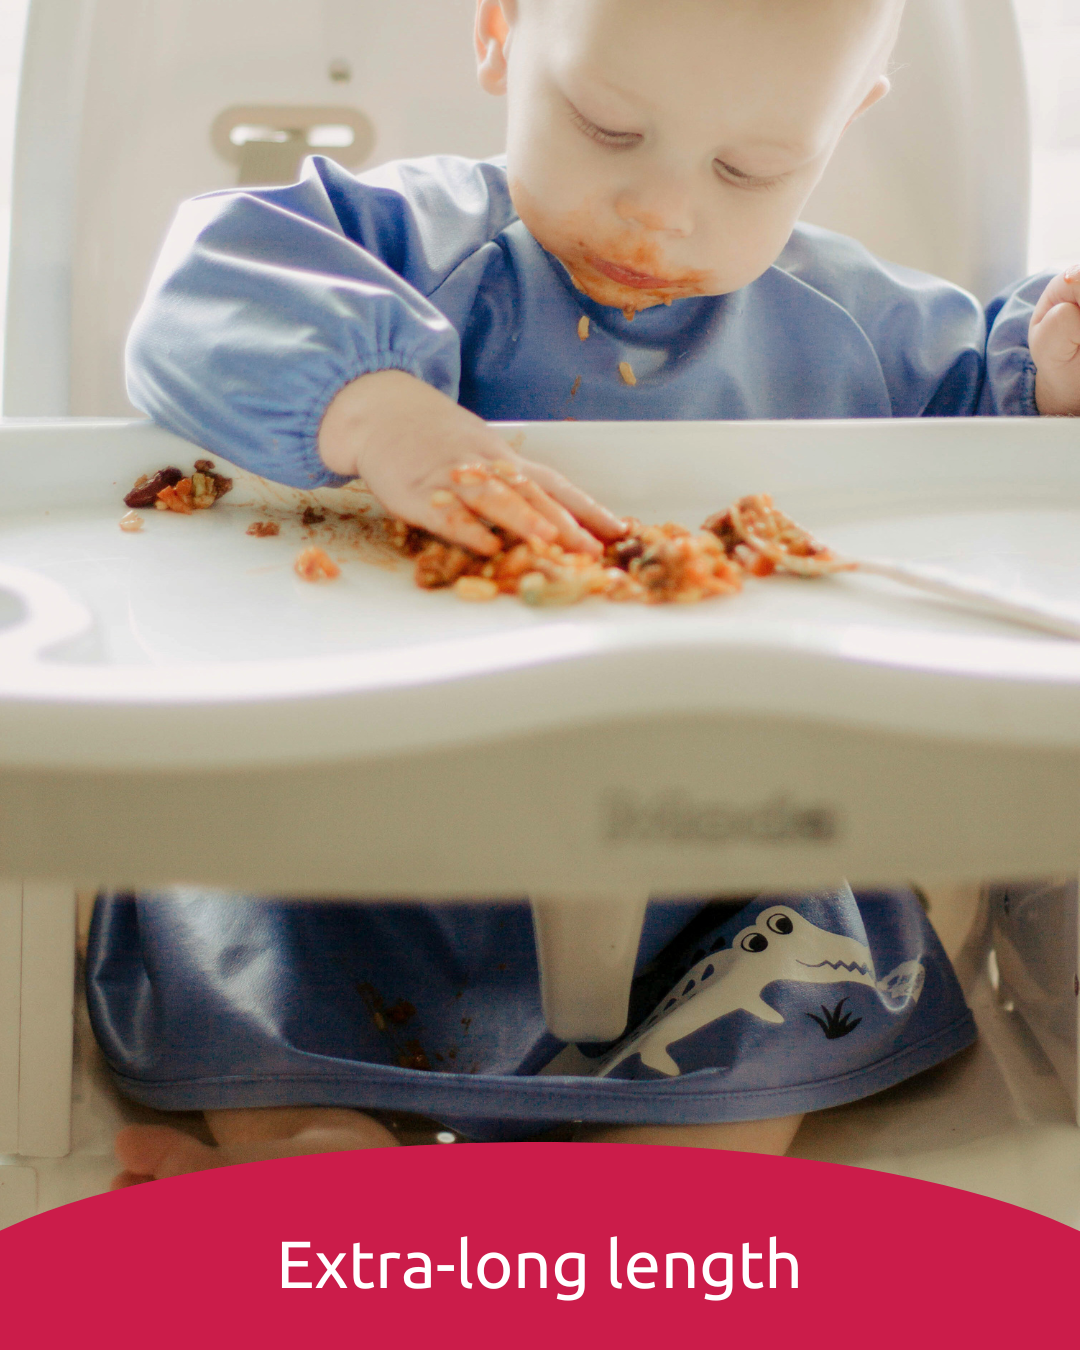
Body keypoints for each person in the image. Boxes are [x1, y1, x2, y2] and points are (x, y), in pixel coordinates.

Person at [89, 0, 1076, 1185]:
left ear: (847, 122)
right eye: (608, 128)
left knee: (777, 992)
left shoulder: (853, 328)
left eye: (748, 167)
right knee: (248, 918)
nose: (664, 209)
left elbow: (984, 450)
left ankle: (657, 1197)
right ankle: (306, 1158)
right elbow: (206, 290)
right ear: (501, 34)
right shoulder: (398, 241)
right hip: (357, 833)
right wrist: (377, 410)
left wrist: (1048, 384)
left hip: (715, 855)